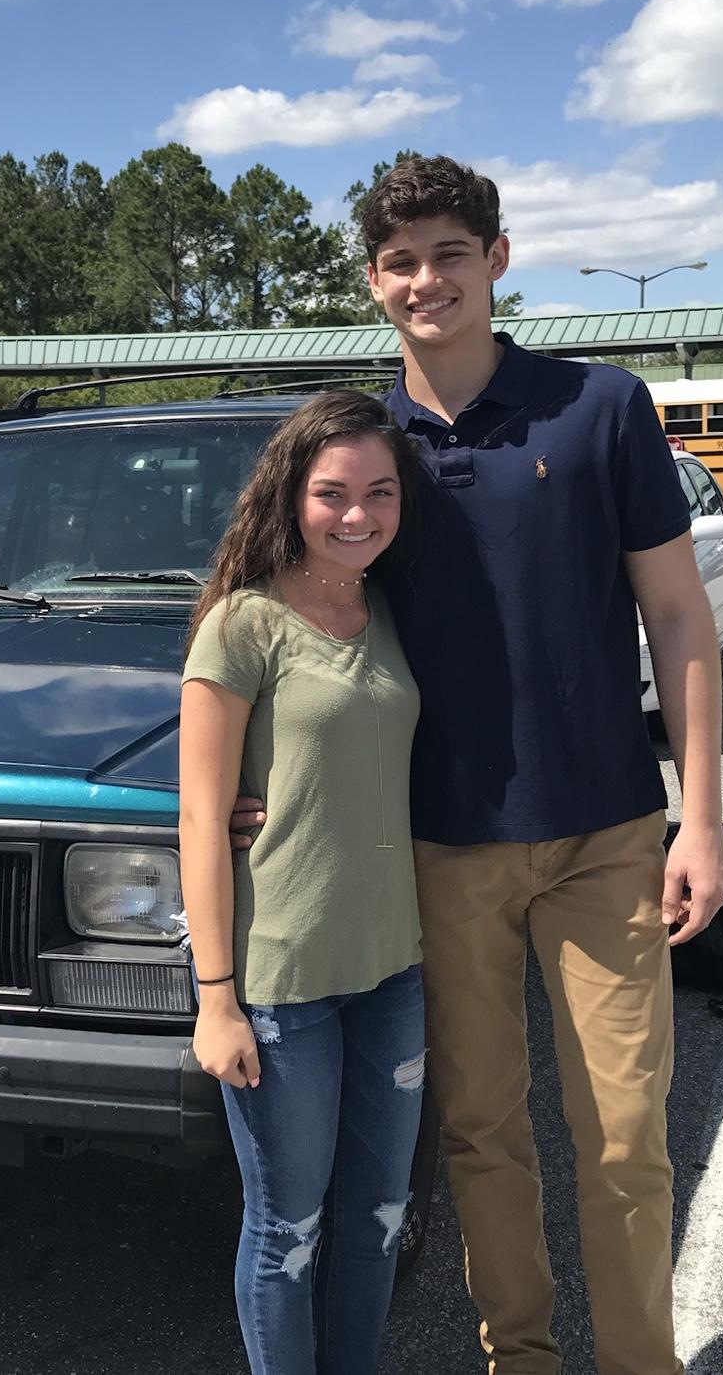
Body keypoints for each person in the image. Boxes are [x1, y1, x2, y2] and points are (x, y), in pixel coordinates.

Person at [233, 155, 723, 1375]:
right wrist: (261, 783)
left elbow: (678, 617)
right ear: (372, 281)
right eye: (400, 262)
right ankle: (523, 1356)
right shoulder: (364, 450)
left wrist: (703, 819)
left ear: (497, 259)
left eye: (450, 254)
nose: (427, 281)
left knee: (624, 1137)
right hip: (437, 845)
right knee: (480, 1135)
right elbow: (282, 623)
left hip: (605, 831)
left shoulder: (599, 408)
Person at [179, 392, 428, 1375]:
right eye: (333, 493)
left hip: (393, 970)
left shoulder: (390, 610)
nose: (357, 514)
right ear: (291, 495)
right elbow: (202, 819)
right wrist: (215, 998)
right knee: (289, 1228)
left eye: (380, 492)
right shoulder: (243, 624)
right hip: (282, 985)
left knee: (380, 1215)